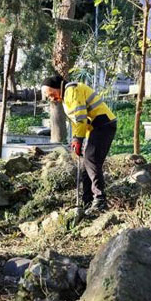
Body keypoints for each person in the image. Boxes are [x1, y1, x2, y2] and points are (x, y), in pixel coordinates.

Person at [41, 74, 116, 213]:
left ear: (57, 87)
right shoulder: (66, 97)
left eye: (51, 94)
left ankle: (100, 199)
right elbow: (77, 123)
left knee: (91, 160)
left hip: (103, 125)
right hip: (94, 129)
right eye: (48, 96)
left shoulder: (72, 91)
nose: (51, 98)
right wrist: (78, 140)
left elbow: (80, 118)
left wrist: (78, 139)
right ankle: (87, 200)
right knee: (85, 165)